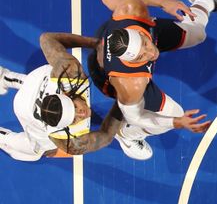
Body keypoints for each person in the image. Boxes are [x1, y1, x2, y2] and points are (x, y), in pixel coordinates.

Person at [86, 0, 217, 159]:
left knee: (197, 34)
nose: (151, 53)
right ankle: (126, 134)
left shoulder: (132, 10)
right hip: (105, 76)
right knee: (174, 114)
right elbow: (136, 117)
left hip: (115, 39)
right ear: (131, 60)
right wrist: (178, 122)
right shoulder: (130, 84)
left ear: (139, 34)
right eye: (142, 56)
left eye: (146, 45)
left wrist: (163, 3)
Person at [0, 33, 125, 161]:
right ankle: (4, 137)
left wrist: (96, 44)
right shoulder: (66, 140)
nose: (82, 114)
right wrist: (123, 103)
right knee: (39, 151)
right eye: (74, 120)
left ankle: (4, 77)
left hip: (35, 80)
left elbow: (46, 38)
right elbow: (106, 135)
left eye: (75, 107)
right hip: (24, 108)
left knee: (31, 83)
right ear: (62, 126)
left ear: (66, 94)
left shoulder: (69, 72)